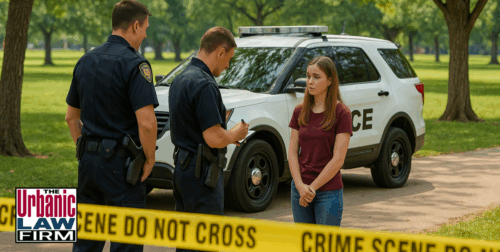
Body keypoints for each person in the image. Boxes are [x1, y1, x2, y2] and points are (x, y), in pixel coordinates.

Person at [65, 1, 157, 251]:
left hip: (88, 166)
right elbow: (147, 124)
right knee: (125, 243)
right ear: (135, 25)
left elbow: (71, 117)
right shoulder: (135, 64)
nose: (146, 34)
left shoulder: (85, 60)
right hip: (121, 168)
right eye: (145, 28)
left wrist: (85, 149)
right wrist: (149, 159)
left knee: (86, 242)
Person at [168, 26, 248, 252]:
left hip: (183, 169)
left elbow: (190, 121)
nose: (228, 65)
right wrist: (235, 134)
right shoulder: (204, 83)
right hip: (202, 174)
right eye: (229, 58)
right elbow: (213, 138)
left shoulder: (180, 79)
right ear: (220, 51)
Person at [288, 56, 353, 226]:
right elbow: (292, 153)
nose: (310, 81)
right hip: (299, 189)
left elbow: (338, 159)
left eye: (317, 77)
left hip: (328, 193)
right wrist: (300, 186)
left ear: (330, 81)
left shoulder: (342, 113)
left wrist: (312, 189)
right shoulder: (299, 111)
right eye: (308, 76)